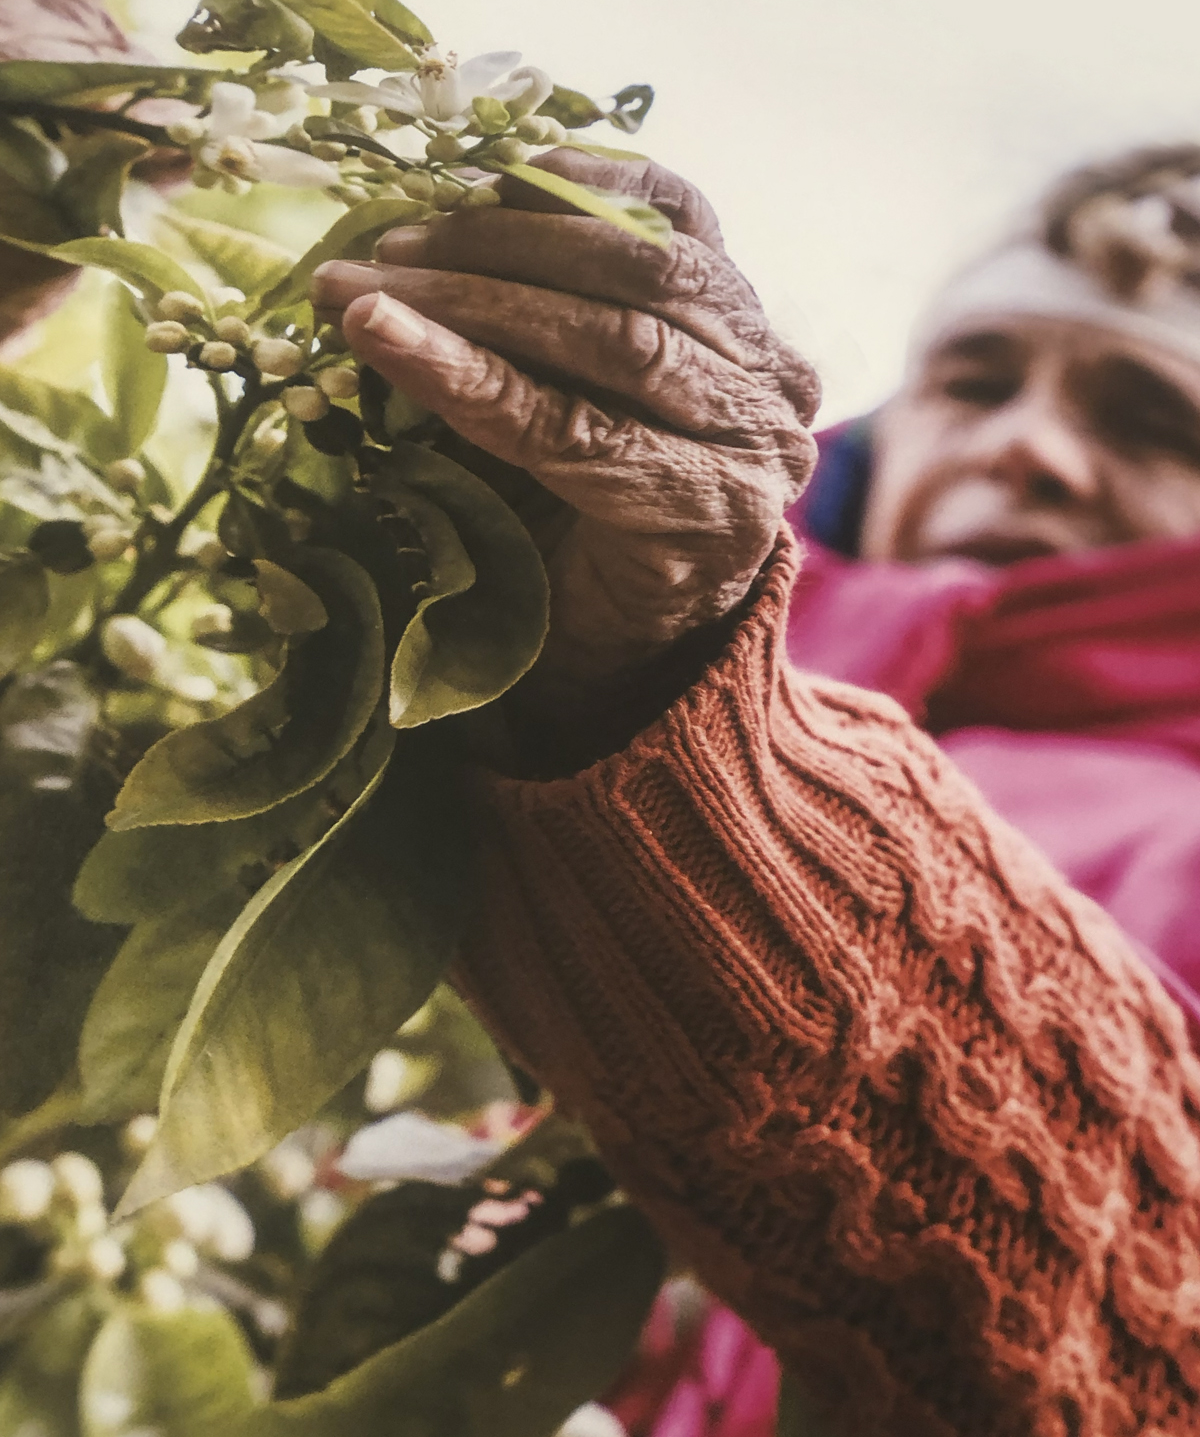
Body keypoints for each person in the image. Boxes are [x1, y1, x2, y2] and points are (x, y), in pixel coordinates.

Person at [311, 144, 1200, 1436]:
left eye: (1156, 420)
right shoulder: (498, 648)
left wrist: (669, 712)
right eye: (974, 381)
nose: (1027, 448)